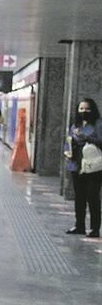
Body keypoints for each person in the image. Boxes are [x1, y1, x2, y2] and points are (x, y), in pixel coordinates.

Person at [65, 97, 102, 238]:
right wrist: (67, 151)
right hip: (77, 165)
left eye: (87, 109)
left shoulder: (98, 124)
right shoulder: (75, 125)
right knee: (79, 197)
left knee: (93, 197)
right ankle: (79, 225)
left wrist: (87, 138)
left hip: (93, 167)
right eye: (81, 109)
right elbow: (69, 140)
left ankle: (94, 228)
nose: (84, 111)